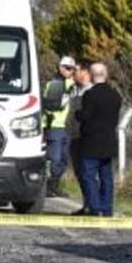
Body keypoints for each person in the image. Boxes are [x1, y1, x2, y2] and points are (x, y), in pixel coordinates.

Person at [71, 59, 124, 218]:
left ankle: (95, 206)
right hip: (108, 140)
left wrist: (77, 114)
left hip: (92, 141)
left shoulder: (90, 94)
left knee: (89, 176)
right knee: (106, 177)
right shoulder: (115, 95)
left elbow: (86, 116)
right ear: (106, 75)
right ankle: (107, 207)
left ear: (92, 76)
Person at [42, 56, 78, 197]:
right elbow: (51, 106)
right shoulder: (55, 84)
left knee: (63, 159)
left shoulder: (70, 84)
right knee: (54, 159)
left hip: (65, 127)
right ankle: (48, 187)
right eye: (67, 68)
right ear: (60, 67)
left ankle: (54, 186)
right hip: (54, 125)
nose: (70, 71)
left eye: (72, 69)